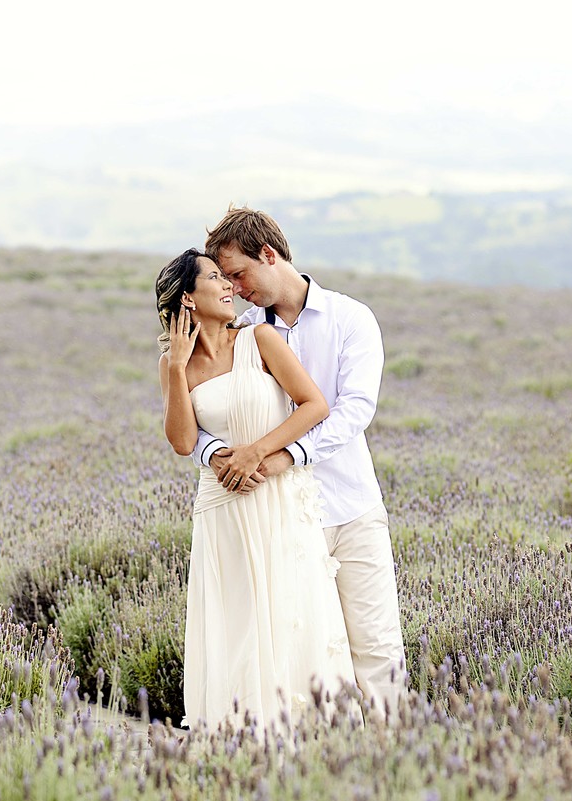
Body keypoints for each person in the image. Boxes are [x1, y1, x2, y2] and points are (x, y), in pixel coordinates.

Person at [193, 206, 406, 720]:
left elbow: (355, 409)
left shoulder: (350, 318)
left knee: (375, 650)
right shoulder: (244, 333)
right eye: (227, 280)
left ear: (269, 255)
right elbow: (209, 412)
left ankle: (392, 766)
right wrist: (213, 454)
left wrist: (284, 454)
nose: (237, 289)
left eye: (240, 274)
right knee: (300, 656)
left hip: (349, 509)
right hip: (280, 520)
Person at [155, 248, 357, 731]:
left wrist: (257, 452)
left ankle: (310, 745)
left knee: (293, 616)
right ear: (188, 299)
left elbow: (314, 405)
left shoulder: (260, 338)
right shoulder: (171, 364)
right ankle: (242, 745)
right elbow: (183, 442)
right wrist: (180, 368)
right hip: (221, 510)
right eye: (216, 279)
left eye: (230, 278)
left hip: (278, 499)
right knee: (238, 627)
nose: (230, 287)